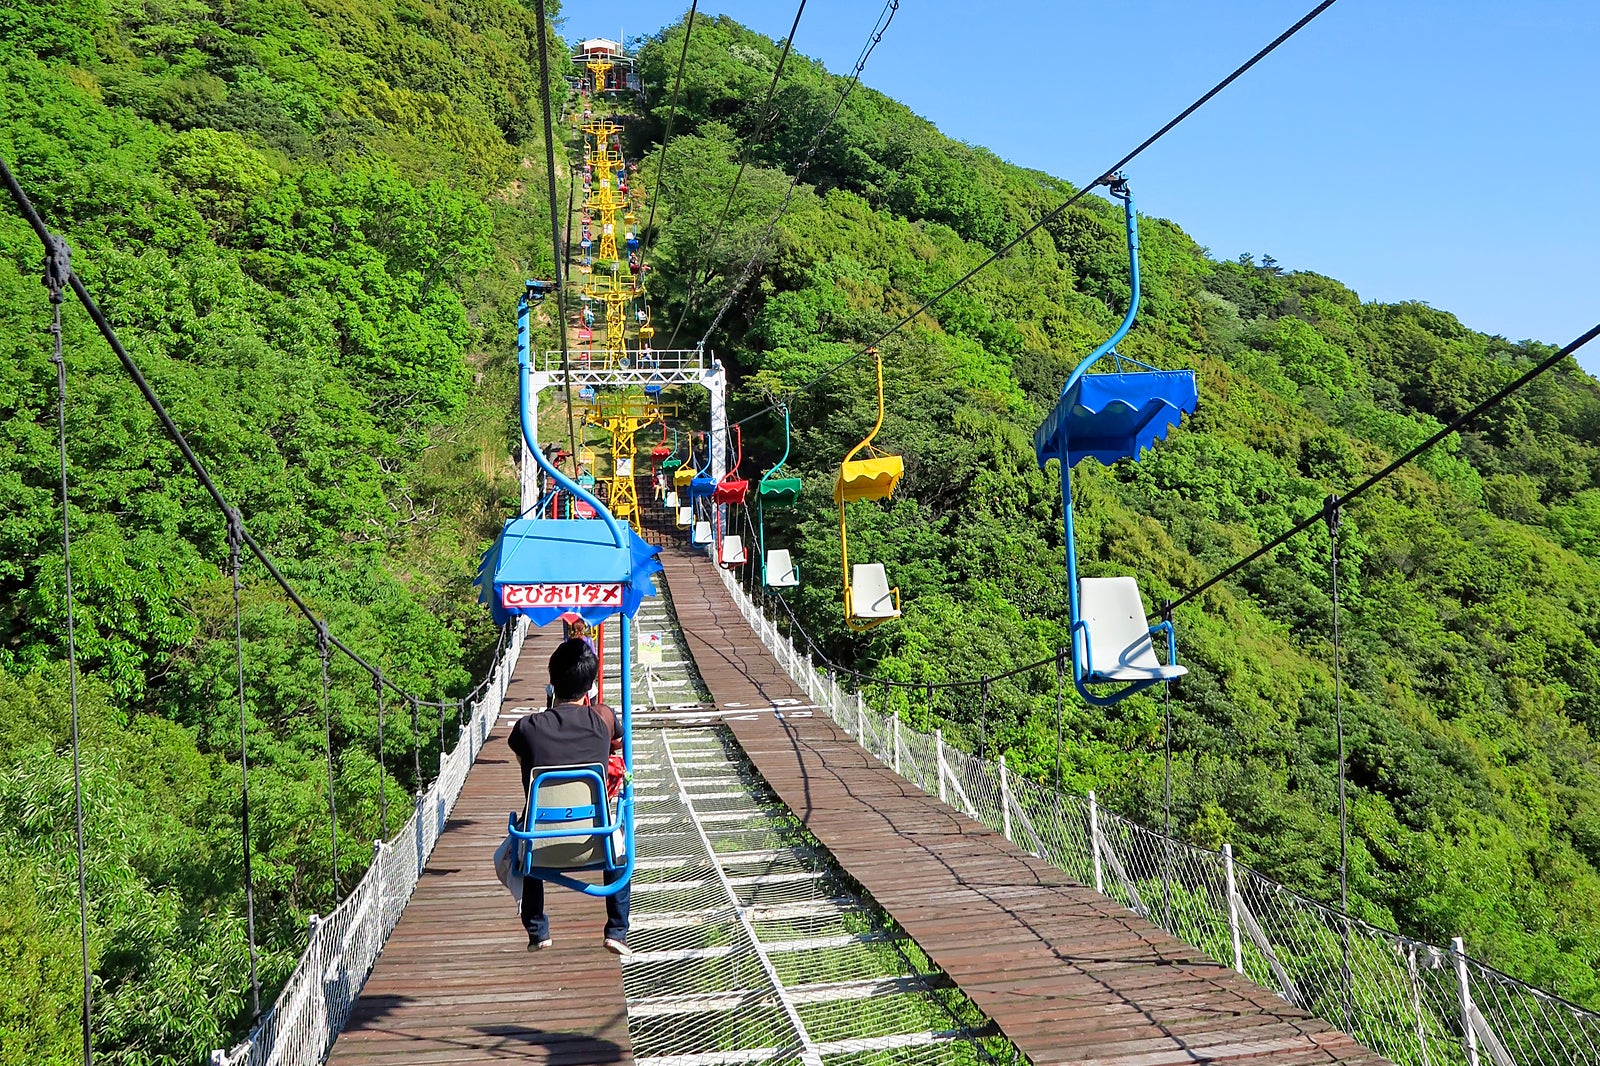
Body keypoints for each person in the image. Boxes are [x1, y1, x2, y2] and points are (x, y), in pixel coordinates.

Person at [507, 638, 631, 956]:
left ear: (551, 680)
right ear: (589, 685)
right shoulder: (602, 717)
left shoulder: (527, 727)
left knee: (525, 828)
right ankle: (616, 928)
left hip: (540, 849)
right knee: (621, 832)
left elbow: (523, 758)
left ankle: (538, 929)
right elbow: (619, 742)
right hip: (595, 842)